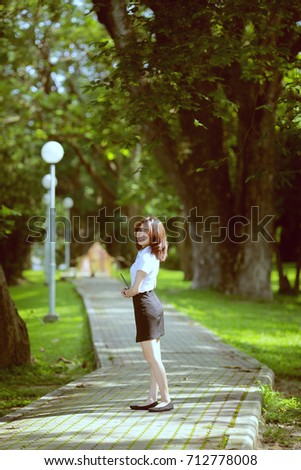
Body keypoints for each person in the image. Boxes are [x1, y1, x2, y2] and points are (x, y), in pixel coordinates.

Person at [121, 216, 174, 412]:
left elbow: (136, 289)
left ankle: (166, 399)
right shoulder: (148, 253)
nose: (140, 234)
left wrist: (127, 292)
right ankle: (153, 397)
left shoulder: (145, 256)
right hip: (151, 304)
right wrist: (132, 290)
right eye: (138, 230)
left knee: (151, 356)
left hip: (146, 306)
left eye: (145, 230)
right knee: (154, 356)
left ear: (154, 234)